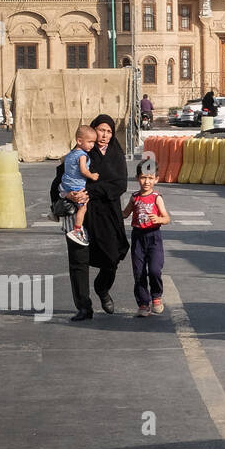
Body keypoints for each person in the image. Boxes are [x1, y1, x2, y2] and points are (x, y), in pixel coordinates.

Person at [53, 113, 130, 321]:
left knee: (112, 257)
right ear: (92, 130)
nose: (104, 135)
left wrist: (90, 191)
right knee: (78, 261)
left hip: (106, 214)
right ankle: (84, 307)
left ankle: (102, 288)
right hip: (79, 215)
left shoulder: (116, 155)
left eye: (109, 131)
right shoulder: (78, 153)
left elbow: (120, 184)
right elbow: (59, 181)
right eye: (101, 130)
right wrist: (67, 194)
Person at [124, 162, 170, 317]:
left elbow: (166, 218)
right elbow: (124, 214)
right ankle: (143, 304)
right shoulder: (134, 197)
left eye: (150, 178)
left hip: (154, 237)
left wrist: (158, 219)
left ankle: (156, 296)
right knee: (139, 272)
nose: (147, 182)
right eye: (143, 178)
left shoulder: (157, 197)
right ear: (137, 178)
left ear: (156, 179)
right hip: (138, 237)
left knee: (155, 270)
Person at [61, 125, 100, 245]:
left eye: (93, 142)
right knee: (83, 208)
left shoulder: (70, 154)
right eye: (90, 142)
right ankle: (77, 230)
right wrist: (92, 175)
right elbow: (83, 170)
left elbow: (63, 161)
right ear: (79, 141)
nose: (92, 145)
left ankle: (54, 211)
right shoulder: (82, 155)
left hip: (65, 183)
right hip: (77, 186)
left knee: (66, 198)